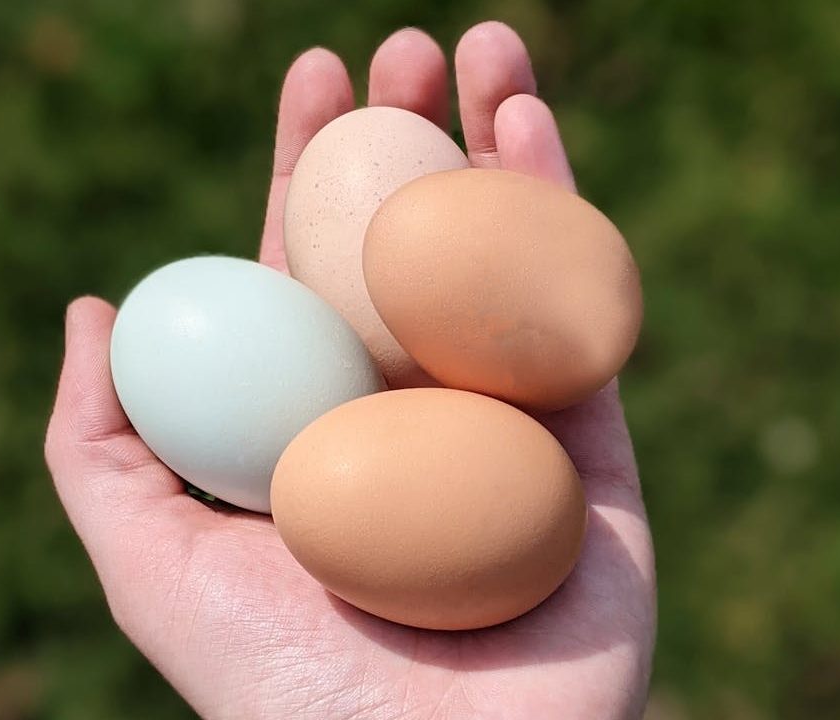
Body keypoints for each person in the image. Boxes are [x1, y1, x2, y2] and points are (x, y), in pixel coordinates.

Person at [44, 21, 656, 720]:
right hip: (403, 449)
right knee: (410, 237)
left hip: (425, 442)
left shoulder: (369, 441)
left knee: (415, 238)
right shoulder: (336, 454)